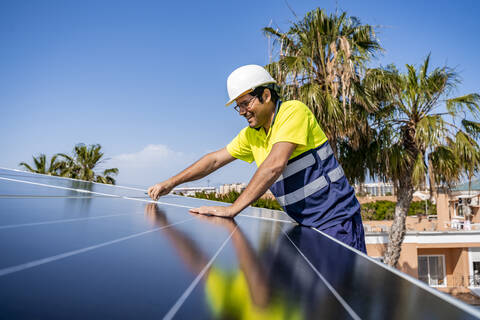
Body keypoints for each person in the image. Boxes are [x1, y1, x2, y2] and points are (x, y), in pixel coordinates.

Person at [148, 64, 366, 252]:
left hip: (337, 223)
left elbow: (274, 165)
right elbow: (213, 160)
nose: (242, 111)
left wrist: (233, 209)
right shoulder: (252, 135)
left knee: (338, 297)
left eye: (246, 103)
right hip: (305, 225)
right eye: (238, 106)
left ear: (266, 95)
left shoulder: (293, 112)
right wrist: (171, 183)